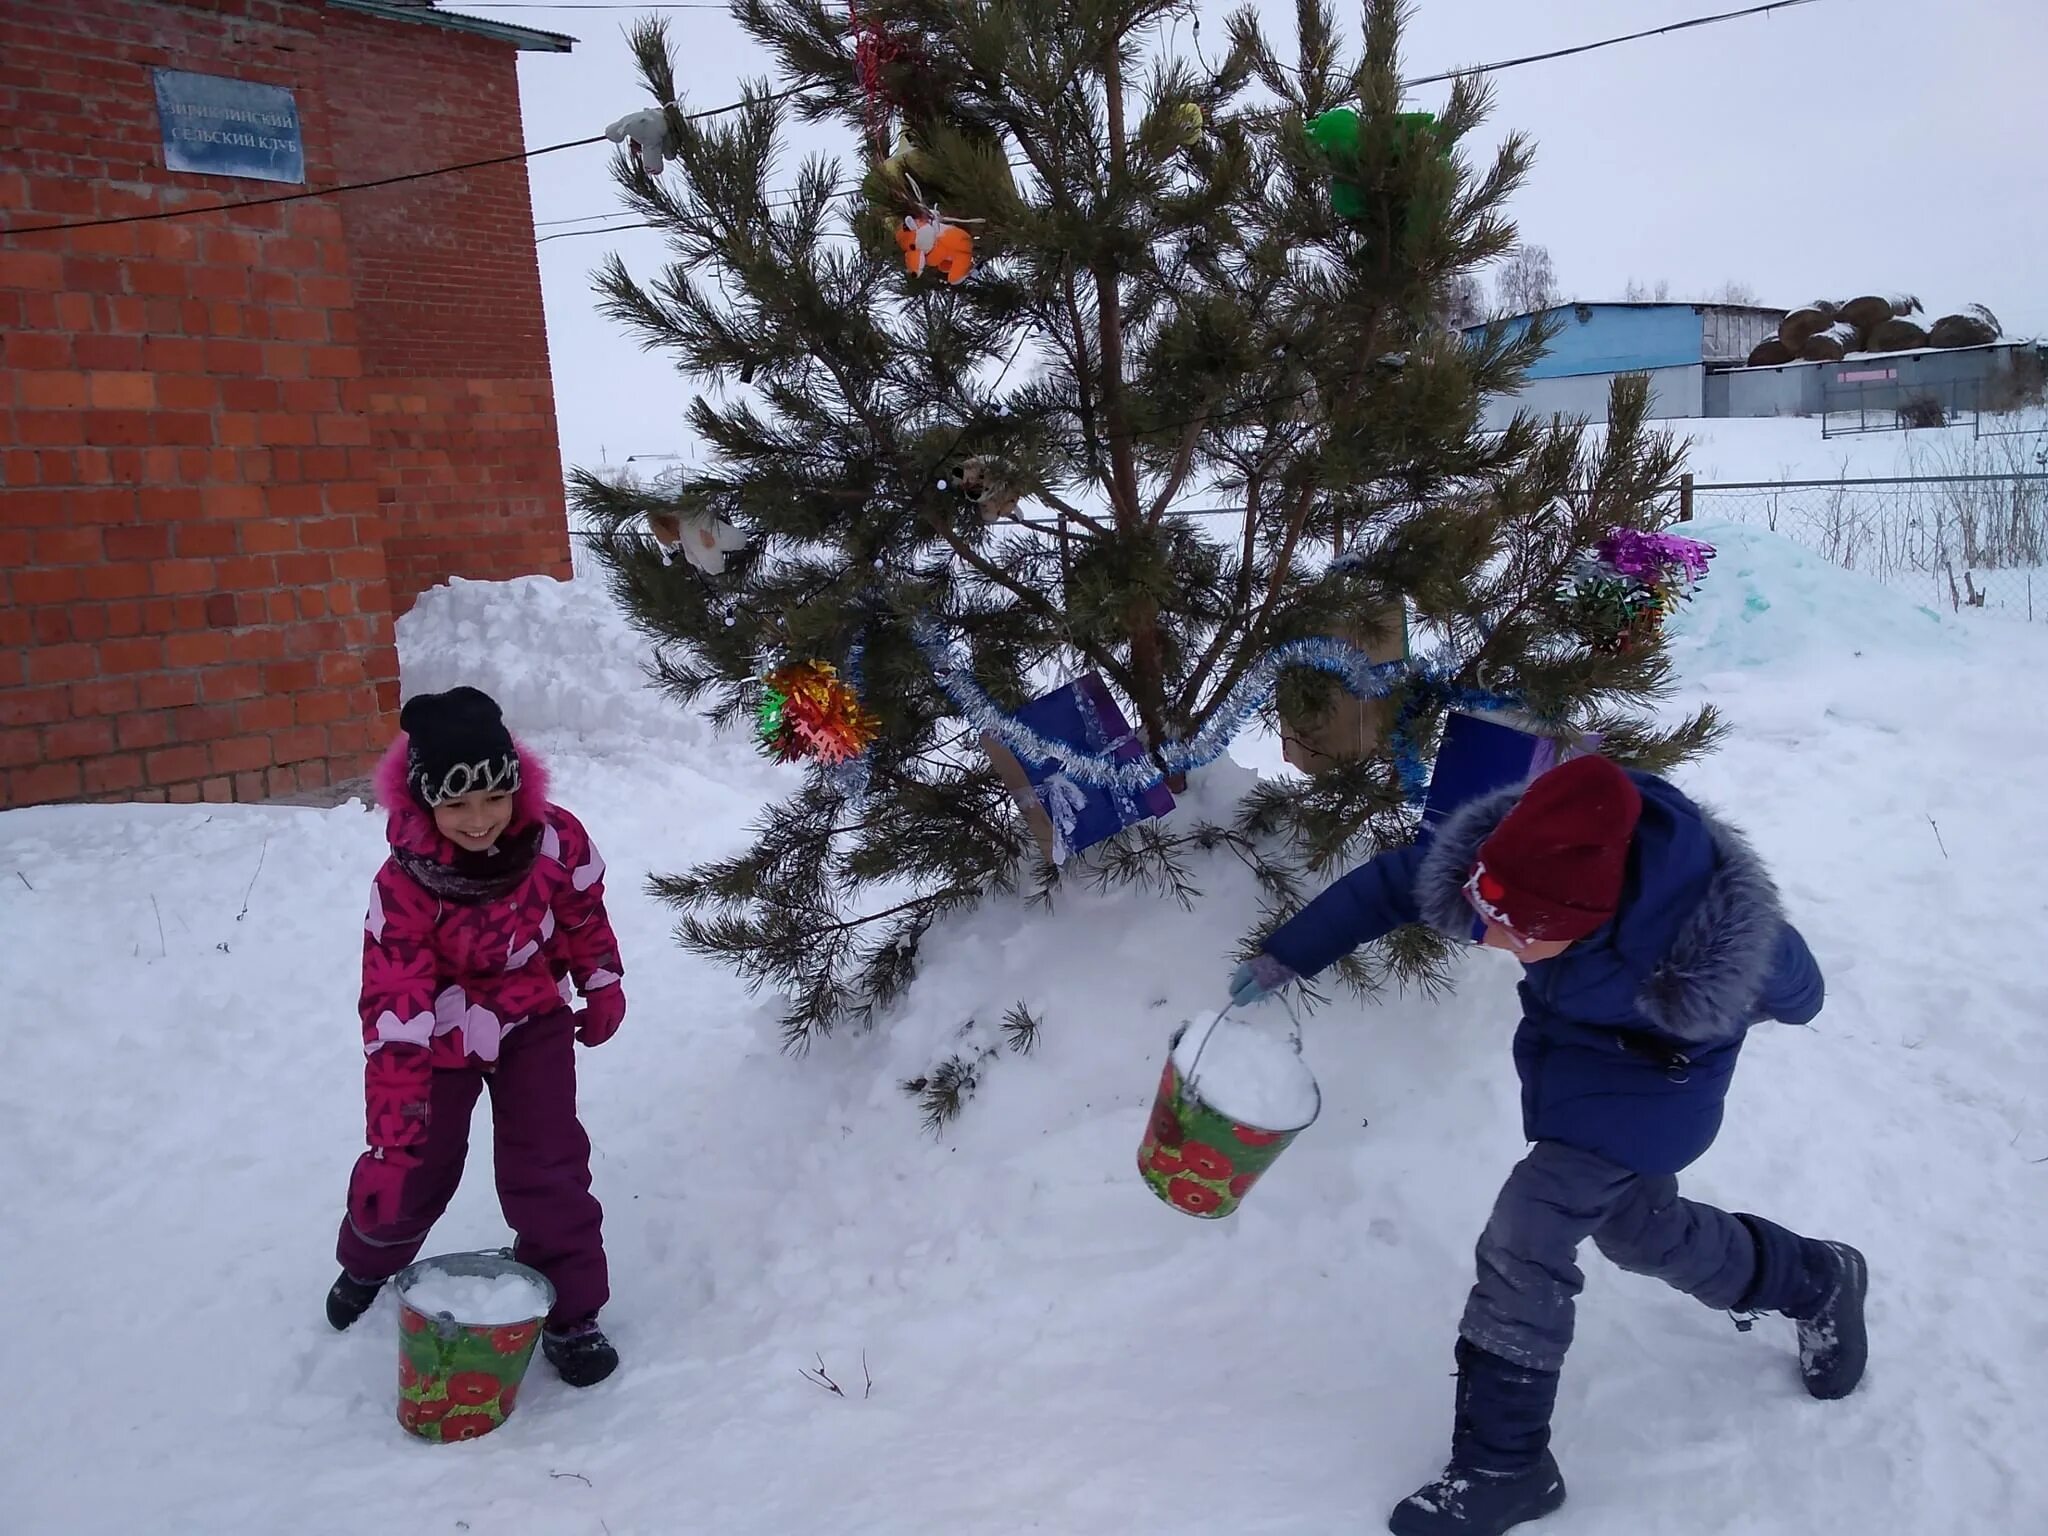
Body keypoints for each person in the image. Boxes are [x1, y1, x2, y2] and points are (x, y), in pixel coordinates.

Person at [1228, 754, 1864, 1536]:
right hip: (1575, 1067)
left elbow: (1801, 991)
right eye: (1487, 914)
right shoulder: (1520, 863)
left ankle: (1506, 1463)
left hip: (1656, 1090)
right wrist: (1286, 955)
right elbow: (1395, 882)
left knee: (1527, 1233)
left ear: (1584, 923)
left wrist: (1744, 985)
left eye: (1516, 930)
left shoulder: (1692, 933)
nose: (1489, 938)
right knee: (1641, 1231)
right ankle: (1813, 1279)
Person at [324, 687, 628, 1388]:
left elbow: (583, 912)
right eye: (456, 804)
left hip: (533, 1016)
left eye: (494, 798)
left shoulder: (555, 839)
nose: (479, 820)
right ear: (425, 802)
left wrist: (602, 981)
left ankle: (573, 1311)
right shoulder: (403, 887)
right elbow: (395, 1015)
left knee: (547, 1163)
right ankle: (368, 1258)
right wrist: (390, 1144)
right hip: (437, 1033)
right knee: (419, 1166)